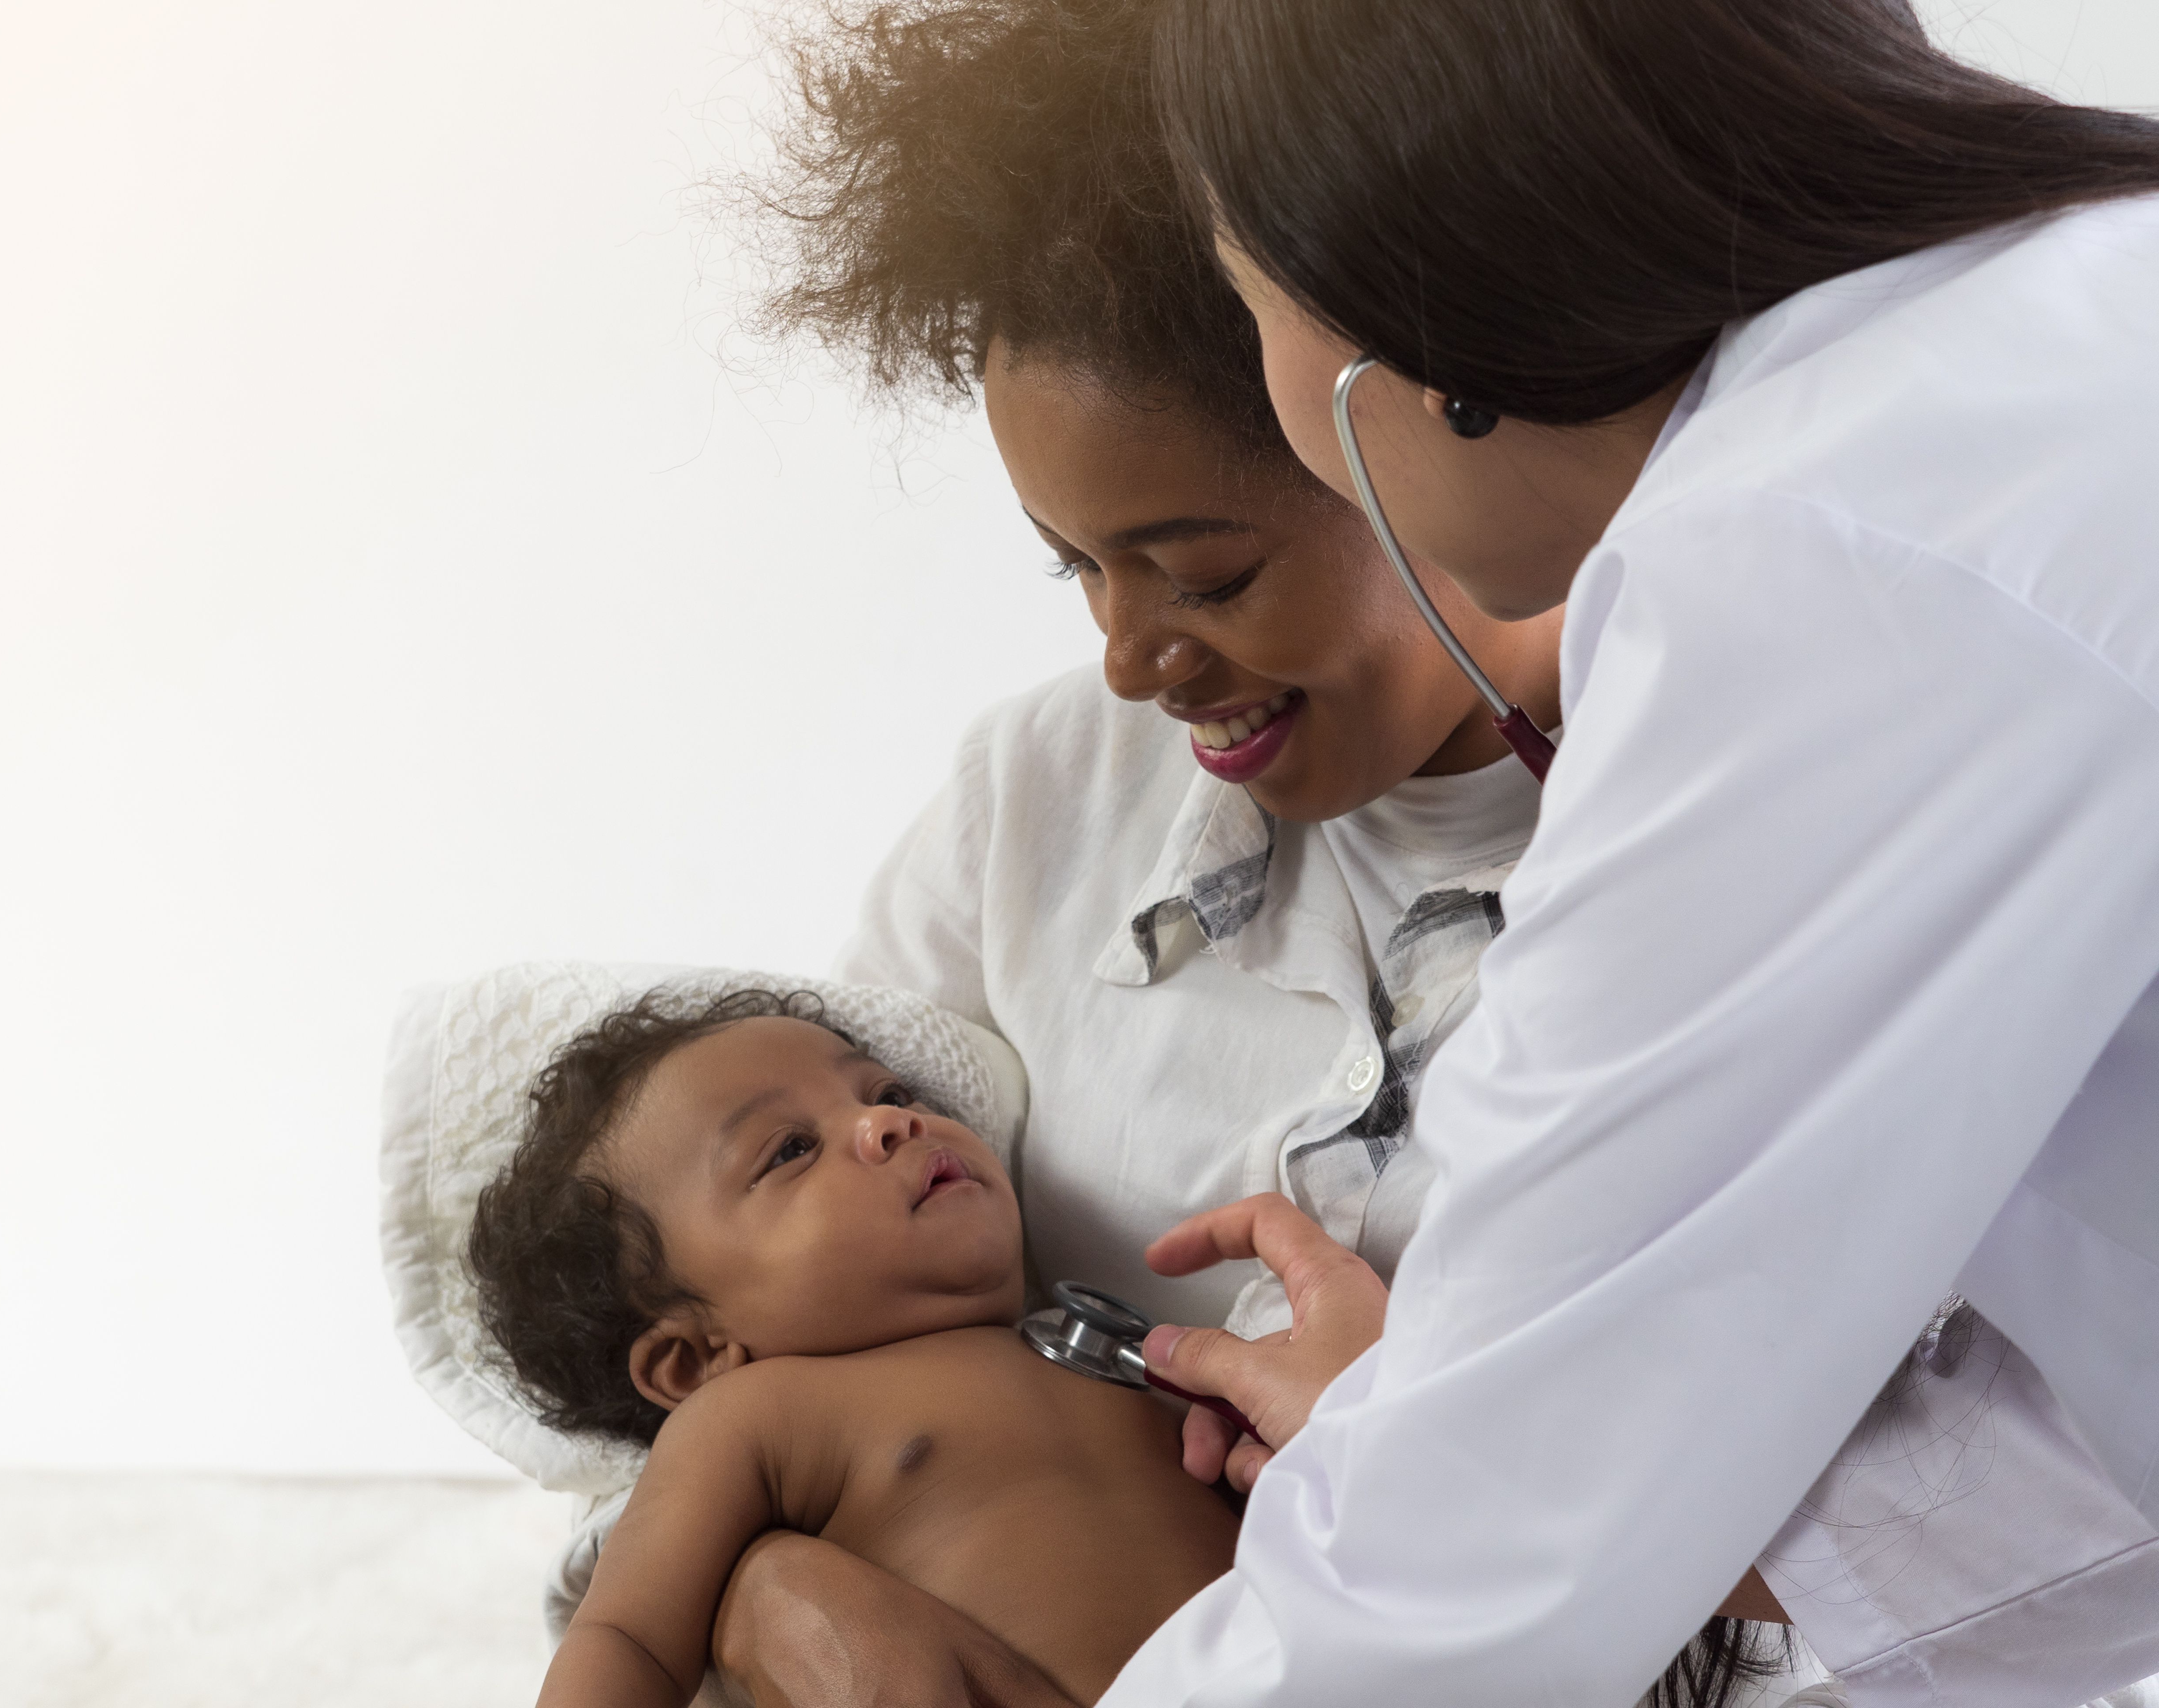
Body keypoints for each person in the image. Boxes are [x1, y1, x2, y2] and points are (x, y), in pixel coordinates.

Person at [696, 2, 1794, 1704]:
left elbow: (1970, 1496)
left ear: (1431, 425)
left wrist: (1429, 1464)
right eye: (1073, 568)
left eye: (1202, 573)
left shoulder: (1767, 834)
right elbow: (750, 1284)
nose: (1133, 658)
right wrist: (762, 1587)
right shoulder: (1039, 799)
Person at [1102, 1, 2159, 1704]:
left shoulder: (1807, 557)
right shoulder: (2065, 319)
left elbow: (1456, 1584)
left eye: (1248, 307)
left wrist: (1439, 1440)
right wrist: (1436, 1434)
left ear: (1405, 308)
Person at [464, 988, 1247, 1707]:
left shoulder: (1110, 1350)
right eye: (792, 1150)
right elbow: (628, 1637)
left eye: (887, 1093)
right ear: (695, 1360)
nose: (890, 1123)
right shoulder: (761, 1415)